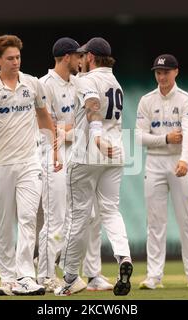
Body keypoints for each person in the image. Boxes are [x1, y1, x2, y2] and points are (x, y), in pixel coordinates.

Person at [0, 34, 61, 296]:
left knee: (28, 218)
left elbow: (44, 118)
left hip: (29, 163)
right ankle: (7, 279)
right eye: (9, 58)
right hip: (1, 165)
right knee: (3, 224)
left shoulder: (32, 84)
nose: (15, 62)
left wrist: (54, 150)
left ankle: (25, 277)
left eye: (18, 57)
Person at [55, 37, 133, 296]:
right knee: (111, 211)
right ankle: (124, 258)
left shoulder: (88, 80)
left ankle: (69, 279)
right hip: (115, 154)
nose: (80, 58)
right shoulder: (116, 82)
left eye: (83, 55)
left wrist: (97, 136)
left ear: (90, 57)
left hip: (89, 153)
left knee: (78, 217)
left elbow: (92, 107)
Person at [37, 37, 114, 292]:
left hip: (79, 155)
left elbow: (82, 121)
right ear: (67, 57)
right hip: (53, 155)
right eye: (79, 56)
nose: (83, 60)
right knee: (56, 218)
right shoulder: (44, 85)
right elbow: (46, 128)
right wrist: (71, 130)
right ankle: (46, 274)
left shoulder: (81, 82)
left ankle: (92, 275)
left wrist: (70, 130)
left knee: (91, 216)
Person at [135, 54, 188, 289]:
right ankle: (154, 276)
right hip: (154, 163)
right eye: (158, 72)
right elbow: (138, 137)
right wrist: (165, 138)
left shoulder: (187, 100)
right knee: (155, 222)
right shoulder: (146, 100)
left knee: (186, 220)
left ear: (176, 72)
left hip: (179, 163)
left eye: (165, 72)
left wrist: (184, 159)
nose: (161, 76)